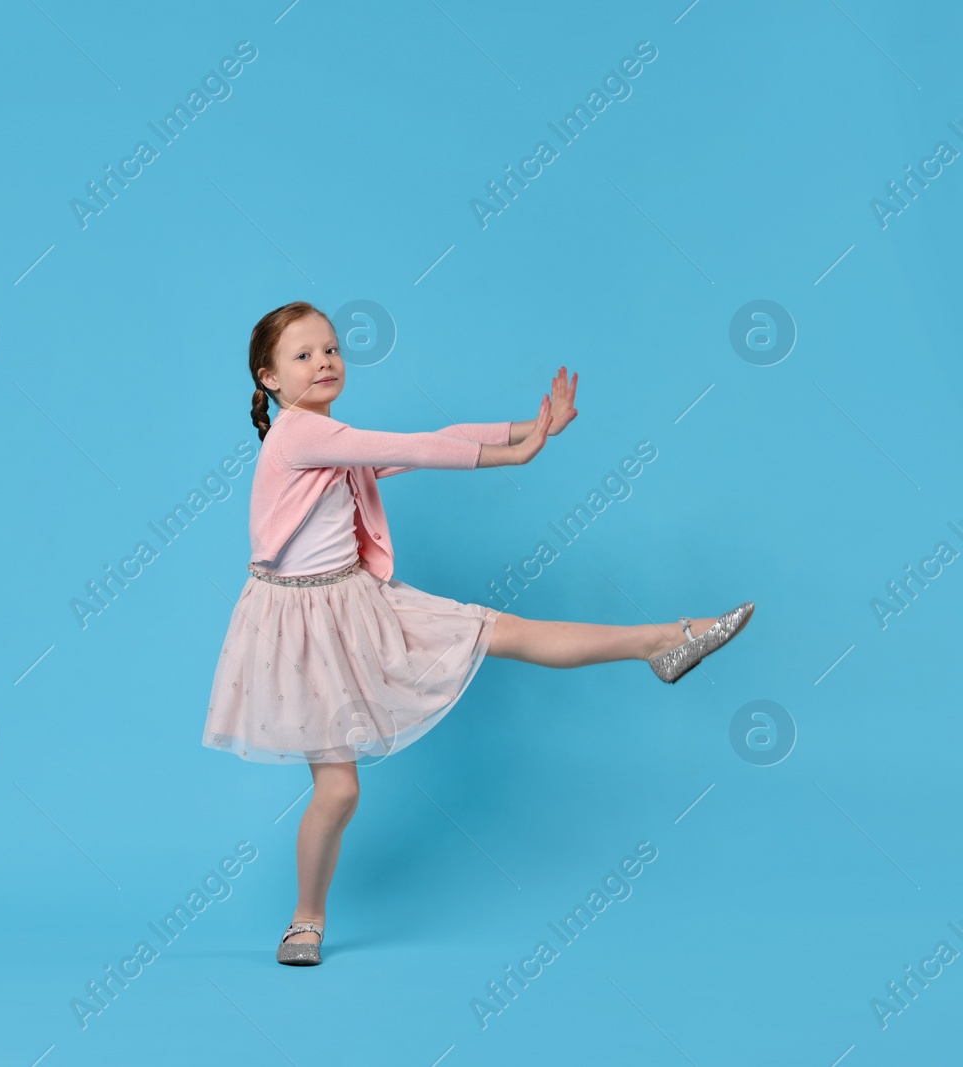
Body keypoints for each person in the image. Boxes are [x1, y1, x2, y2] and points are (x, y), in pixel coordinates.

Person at [200, 300, 753, 966]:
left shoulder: (330, 437)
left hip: (356, 600)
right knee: (340, 789)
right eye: (303, 355)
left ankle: (663, 640)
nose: (324, 361)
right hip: (304, 623)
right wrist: (511, 456)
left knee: (505, 630)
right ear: (269, 379)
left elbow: (431, 435)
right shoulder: (298, 435)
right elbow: (413, 447)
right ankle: (305, 919)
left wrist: (531, 427)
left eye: (332, 348)